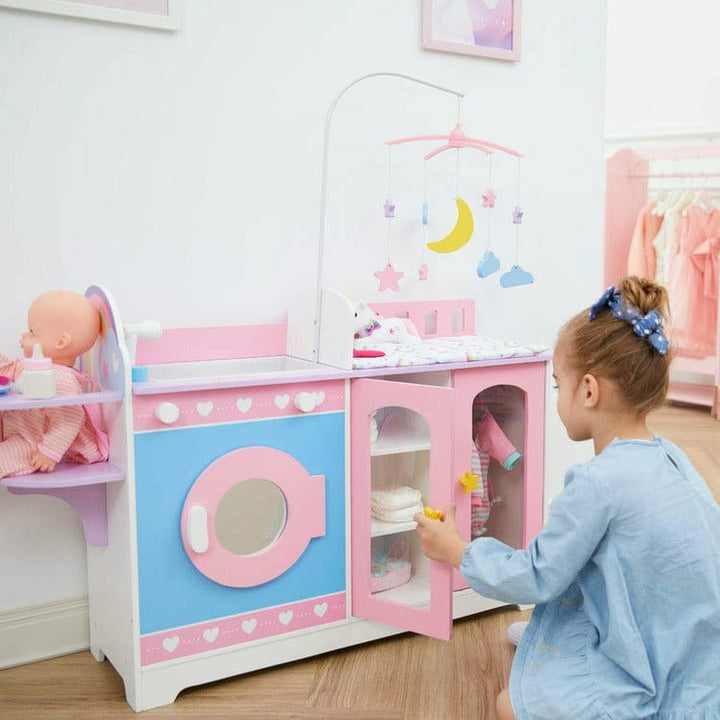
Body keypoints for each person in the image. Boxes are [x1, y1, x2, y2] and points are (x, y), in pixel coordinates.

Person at [414, 276, 720, 720]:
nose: (557, 399)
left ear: (589, 390)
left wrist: (457, 551)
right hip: (698, 654)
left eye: (559, 386)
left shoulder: (599, 482)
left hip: (653, 668)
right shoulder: (671, 455)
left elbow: (537, 575)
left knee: (509, 705)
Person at [0, 290, 109, 477]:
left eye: (32, 332)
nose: (24, 336)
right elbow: (11, 369)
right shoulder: (35, 367)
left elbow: (69, 420)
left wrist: (49, 453)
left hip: (33, 443)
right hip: (19, 430)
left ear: (61, 342)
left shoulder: (62, 380)